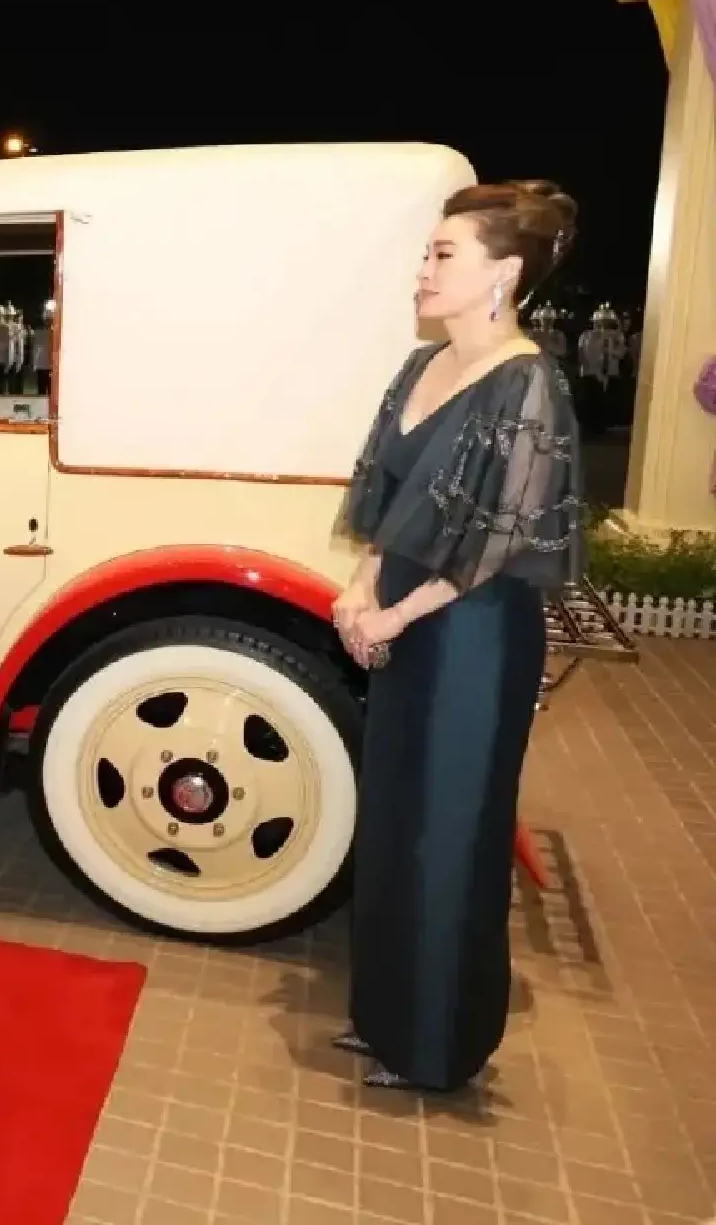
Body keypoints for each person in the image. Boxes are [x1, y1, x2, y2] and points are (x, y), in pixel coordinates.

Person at [331, 179, 585, 1092]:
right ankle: (383, 1016)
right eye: (426, 252)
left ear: (504, 272)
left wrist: (391, 613)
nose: (424, 268)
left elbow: (501, 542)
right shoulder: (418, 365)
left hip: (472, 639)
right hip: (401, 625)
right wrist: (359, 589)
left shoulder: (529, 382)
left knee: (451, 833)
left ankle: (437, 1046)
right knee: (395, 823)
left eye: (444, 253)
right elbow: (379, 499)